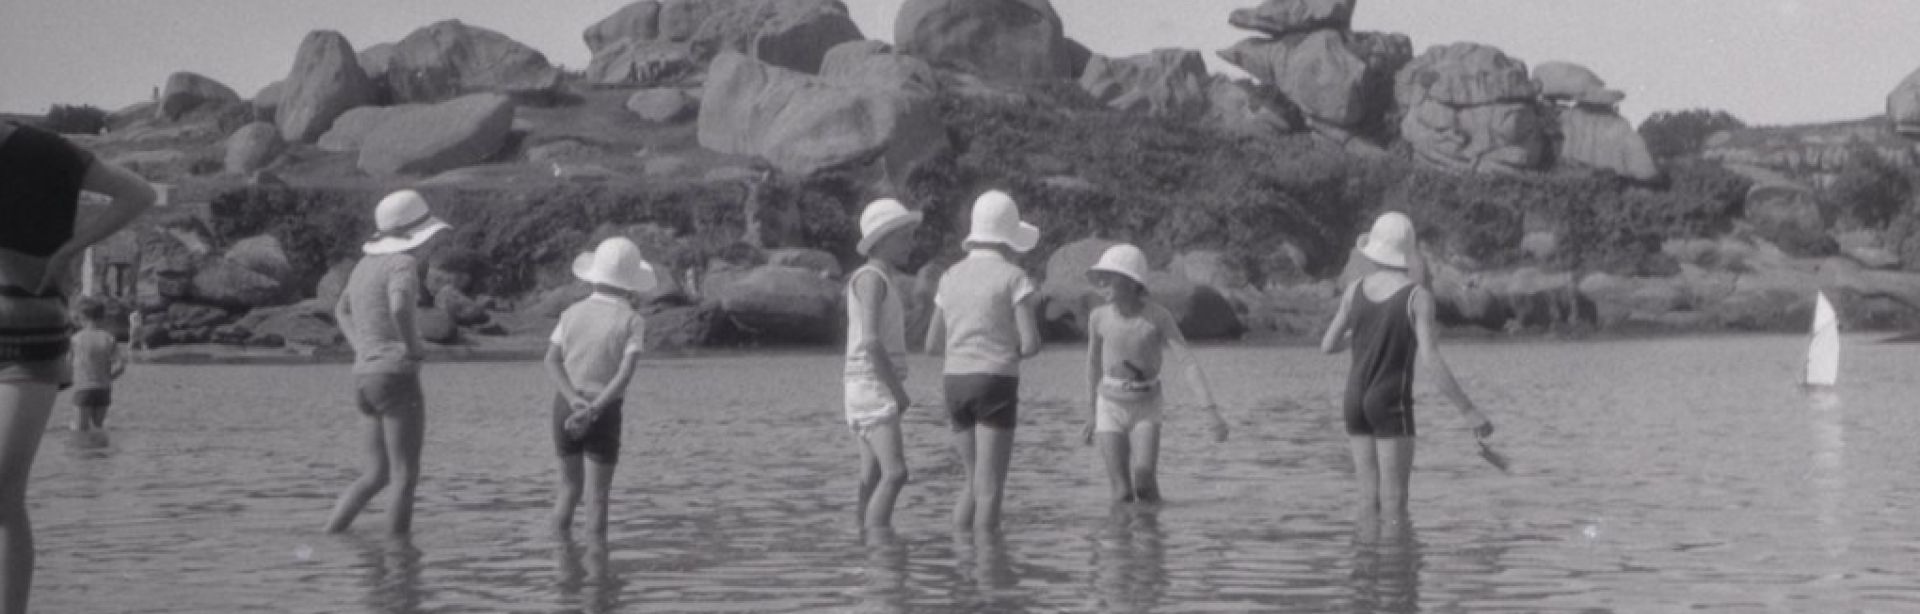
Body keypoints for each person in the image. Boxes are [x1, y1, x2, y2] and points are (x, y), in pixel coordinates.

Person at [0, 120, 155, 614]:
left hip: (28, 336)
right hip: (31, 331)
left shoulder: (42, 150)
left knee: (1, 494)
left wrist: (70, 249)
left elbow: (137, 193)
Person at [1320, 212, 1494, 516]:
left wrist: (1364, 335)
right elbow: (1430, 358)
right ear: (1408, 252)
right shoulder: (1417, 297)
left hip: (1354, 401)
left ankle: (1367, 561)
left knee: (1367, 501)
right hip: (1388, 404)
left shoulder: (1353, 290)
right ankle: (1394, 563)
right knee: (1395, 504)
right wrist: (1468, 409)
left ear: (1373, 249)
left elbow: (1328, 345)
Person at [325, 190, 450, 534]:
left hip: (364, 375)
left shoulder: (363, 266)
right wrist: (412, 348)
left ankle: (329, 535)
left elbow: (341, 310)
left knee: (374, 474)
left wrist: (361, 347)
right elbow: (398, 305)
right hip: (395, 375)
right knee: (405, 476)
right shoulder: (402, 263)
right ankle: (400, 561)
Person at [924, 190, 1042, 533]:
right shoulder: (1014, 278)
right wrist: (1003, 351)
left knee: (972, 482)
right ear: (1009, 238)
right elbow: (1031, 343)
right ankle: (989, 575)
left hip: (954, 383)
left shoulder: (949, 277)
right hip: (995, 382)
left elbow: (932, 345)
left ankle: (963, 563)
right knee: (990, 489)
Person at [1078, 244, 1229, 502]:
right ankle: (1120, 541)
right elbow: (1092, 364)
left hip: (1146, 405)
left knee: (1144, 481)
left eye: (1109, 276)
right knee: (1122, 492)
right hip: (1109, 406)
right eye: (1100, 277)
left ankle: (1153, 539)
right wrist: (1091, 413)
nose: (1102, 282)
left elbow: (1188, 362)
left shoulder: (1157, 316)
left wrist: (1210, 410)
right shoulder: (1098, 317)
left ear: (1130, 281)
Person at [543, 237, 653, 537]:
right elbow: (624, 373)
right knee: (598, 498)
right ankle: (596, 575)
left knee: (568, 489)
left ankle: (560, 561)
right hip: (603, 410)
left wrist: (574, 400)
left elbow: (551, 361)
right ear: (630, 283)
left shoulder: (571, 313)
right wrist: (594, 409)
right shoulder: (632, 321)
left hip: (565, 405)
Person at [844, 199, 921, 529]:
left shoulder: (876, 277)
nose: (911, 244)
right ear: (883, 239)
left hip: (864, 384)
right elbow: (872, 341)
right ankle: (879, 545)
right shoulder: (871, 278)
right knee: (896, 472)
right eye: (904, 237)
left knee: (872, 475)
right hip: (872, 384)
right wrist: (898, 392)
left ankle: (862, 534)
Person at [67, 298, 126, 431]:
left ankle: (85, 451)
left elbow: (66, 364)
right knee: (98, 428)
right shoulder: (108, 338)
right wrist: (108, 378)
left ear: (82, 317)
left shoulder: (76, 339)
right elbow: (121, 366)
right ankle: (100, 451)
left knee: (80, 430)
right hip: (103, 389)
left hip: (83, 387)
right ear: (102, 317)